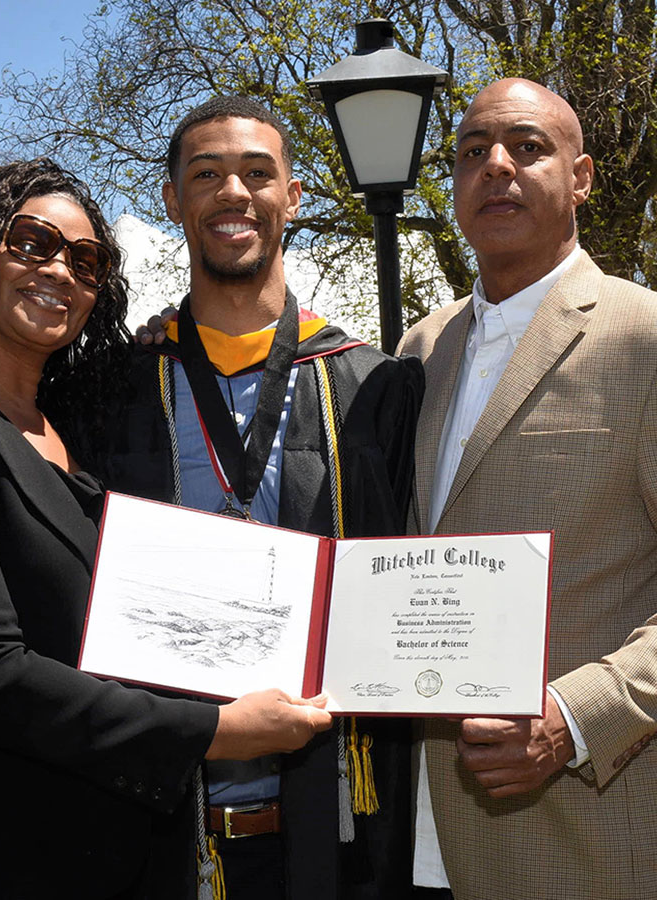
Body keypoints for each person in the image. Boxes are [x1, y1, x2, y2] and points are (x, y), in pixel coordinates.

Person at [0, 157, 331, 900]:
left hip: (111, 855)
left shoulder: (78, 440)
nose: (61, 270)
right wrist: (214, 731)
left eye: (86, 259)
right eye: (32, 242)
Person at [85, 97, 424, 899]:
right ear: (173, 200)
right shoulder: (114, 392)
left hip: (338, 824)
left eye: (256, 173)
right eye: (206, 174)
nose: (232, 191)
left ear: (293, 197)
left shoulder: (369, 385)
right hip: (162, 823)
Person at [397, 78, 657, 899]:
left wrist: (576, 719)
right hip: (427, 836)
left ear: (580, 177)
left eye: (527, 147)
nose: (496, 166)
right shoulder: (419, 349)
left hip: (600, 840)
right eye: (473, 152)